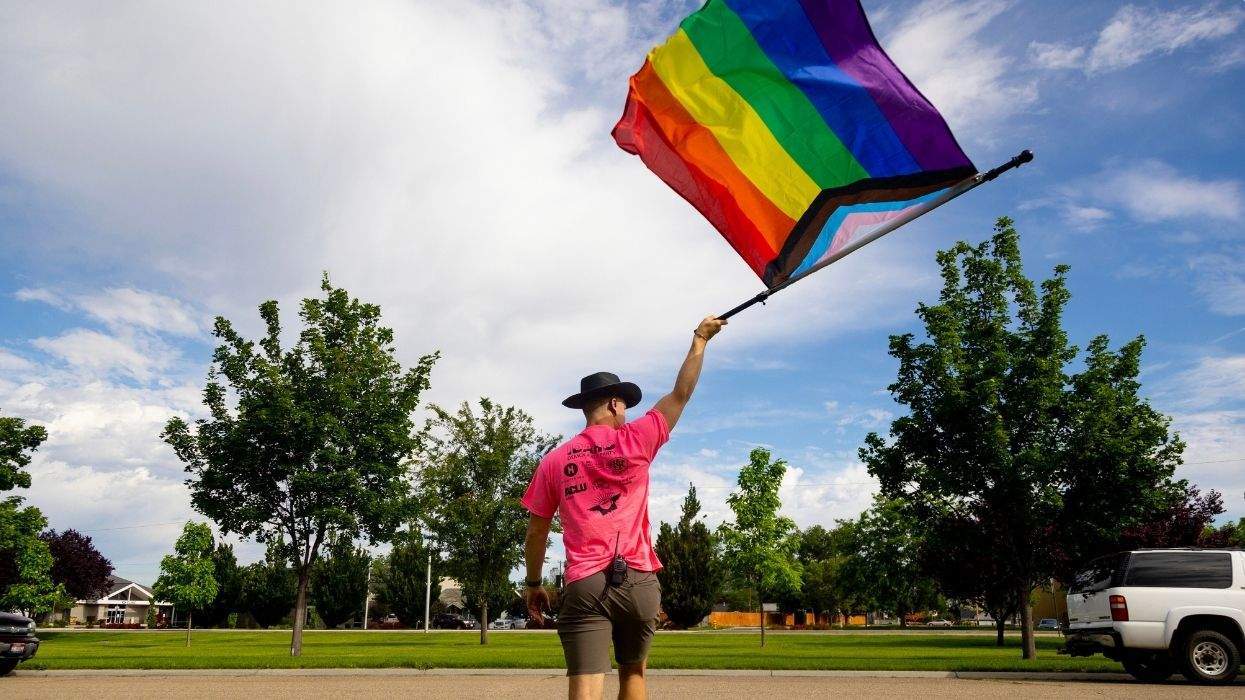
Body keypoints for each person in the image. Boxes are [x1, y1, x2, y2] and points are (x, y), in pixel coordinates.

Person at [521, 315, 726, 700]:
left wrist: (533, 585)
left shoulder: (554, 461)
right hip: (639, 580)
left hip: (586, 582)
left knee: (585, 684)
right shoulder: (638, 439)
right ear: (614, 404)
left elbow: (536, 532)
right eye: (624, 405)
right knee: (633, 676)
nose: (627, 411)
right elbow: (680, 394)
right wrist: (699, 340)